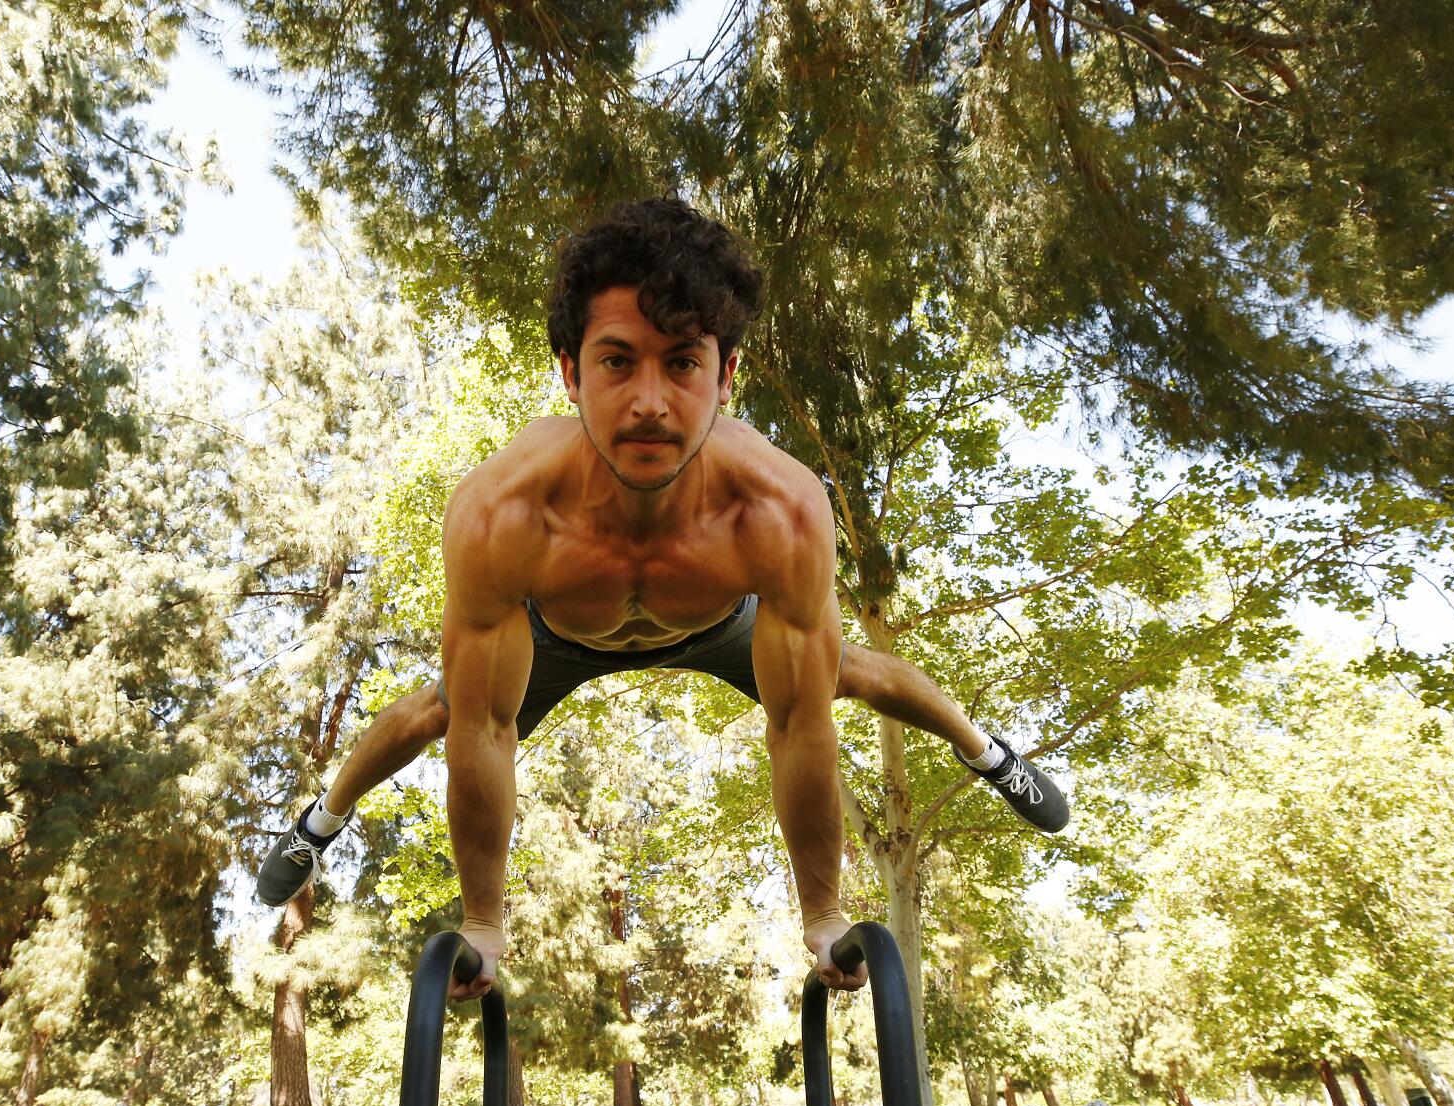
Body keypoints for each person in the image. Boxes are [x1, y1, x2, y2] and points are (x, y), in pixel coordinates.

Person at [256, 198, 1069, 1001]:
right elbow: (487, 729)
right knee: (445, 706)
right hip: (560, 629)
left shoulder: (780, 509)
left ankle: (988, 752)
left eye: (682, 362)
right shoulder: (502, 511)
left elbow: (797, 725)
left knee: (836, 675)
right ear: (570, 373)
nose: (650, 401)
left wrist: (824, 915)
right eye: (617, 362)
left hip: (713, 618)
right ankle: (319, 823)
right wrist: (482, 924)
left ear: (726, 378)